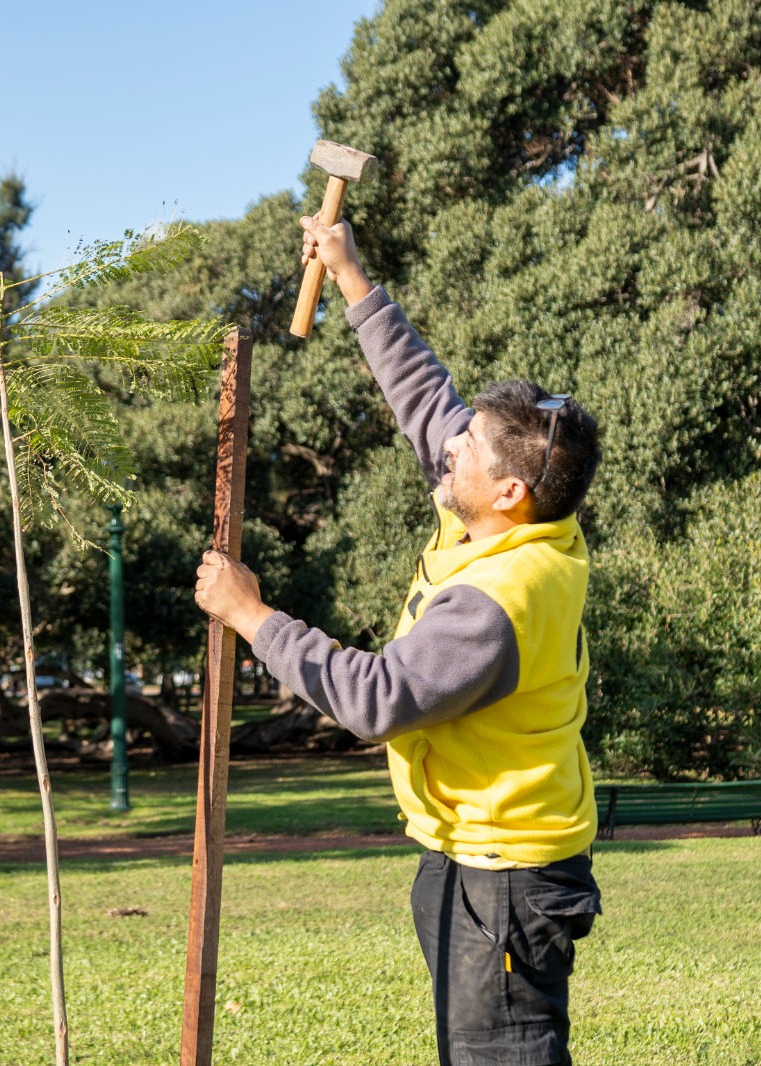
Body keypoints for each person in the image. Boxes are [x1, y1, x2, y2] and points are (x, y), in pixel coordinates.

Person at [193, 216, 604, 1066]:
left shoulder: (498, 600)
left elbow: (376, 701)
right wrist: (350, 276)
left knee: (503, 1055)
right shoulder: (511, 527)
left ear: (511, 489)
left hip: (505, 881)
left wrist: (250, 616)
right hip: (475, 863)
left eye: (466, 453)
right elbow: (428, 404)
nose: (446, 451)